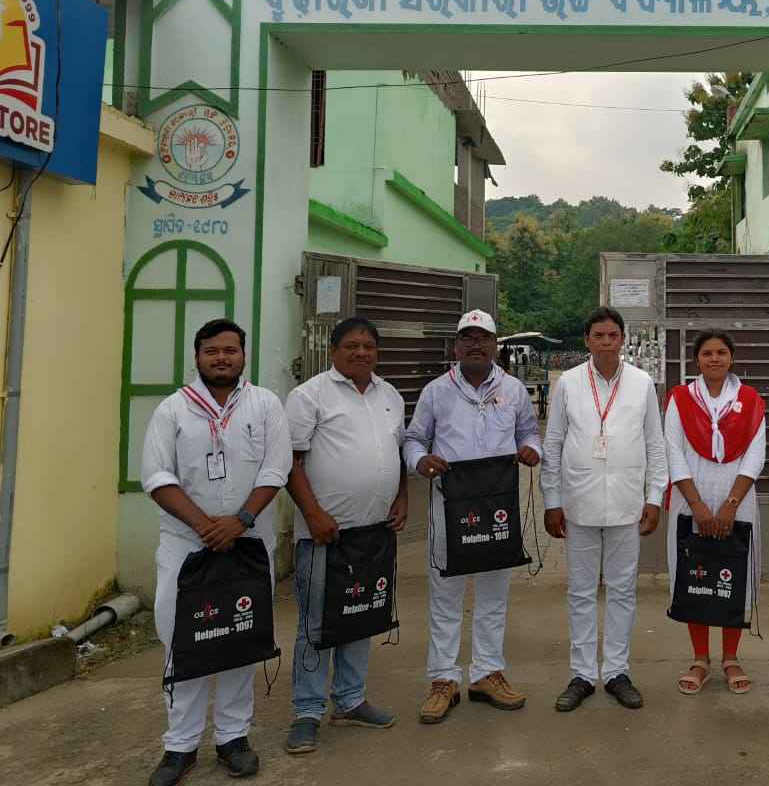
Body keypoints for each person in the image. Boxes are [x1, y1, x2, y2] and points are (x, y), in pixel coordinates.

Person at [140, 319, 290, 786]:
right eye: (212, 351)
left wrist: (239, 521)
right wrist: (204, 526)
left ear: (243, 355)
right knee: (181, 640)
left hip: (248, 543)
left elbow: (276, 469)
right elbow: (157, 477)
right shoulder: (173, 409)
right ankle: (179, 746)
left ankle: (233, 738)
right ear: (197, 356)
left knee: (240, 636)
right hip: (187, 546)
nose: (221, 357)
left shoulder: (264, 404)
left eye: (230, 350)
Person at [403, 309, 542, 724]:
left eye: (483, 338)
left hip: (497, 507)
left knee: (493, 596)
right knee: (445, 594)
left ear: (495, 345)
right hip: (451, 505)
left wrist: (533, 449)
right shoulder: (436, 392)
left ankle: (486, 673)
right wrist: (420, 460)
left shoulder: (513, 389)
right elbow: (414, 439)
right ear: (456, 346)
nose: (475, 344)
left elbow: (528, 432)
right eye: (468, 337)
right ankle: (444, 679)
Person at [282, 317, 407, 754]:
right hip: (325, 534)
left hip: (373, 532)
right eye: (352, 345)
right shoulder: (309, 396)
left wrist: (401, 498)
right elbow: (290, 461)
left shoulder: (390, 395)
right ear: (334, 350)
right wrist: (312, 513)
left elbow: (396, 453)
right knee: (316, 623)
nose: (361, 352)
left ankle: (350, 700)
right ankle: (307, 711)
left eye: (368, 345)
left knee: (361, 614)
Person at [541, 306, 668, 711]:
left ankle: (616, 672)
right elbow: (553, 443)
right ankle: (581, 674)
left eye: (613, 335)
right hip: (578, 503)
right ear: (587, 340)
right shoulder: (569, 383)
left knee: (622, 591)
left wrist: (655, 496)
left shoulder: (641, 383)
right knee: (580, 592)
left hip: (627, 504)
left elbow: (655, 444)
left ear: (622, 339)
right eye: (599, 335)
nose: (606, 342)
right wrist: (552, 500)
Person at [664, 329, 767, 695]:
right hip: (690, 498)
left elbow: (756, 454)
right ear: (697, 360)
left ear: (731, 358)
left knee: (733, 574)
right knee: (695, 573)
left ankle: (731, 657)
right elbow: (672, 451)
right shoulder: (680, 399)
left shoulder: (750, 400)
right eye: (707, 353)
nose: (714, 359)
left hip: (737, 499)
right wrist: (697, 506)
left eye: (721, 352)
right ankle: (699, 659)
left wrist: (729, 504)